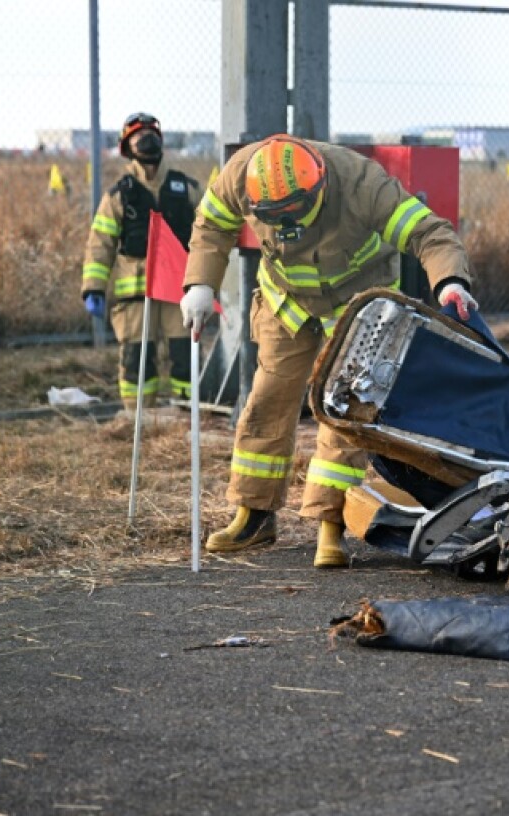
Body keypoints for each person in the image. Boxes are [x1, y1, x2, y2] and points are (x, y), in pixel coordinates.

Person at [180, 134, 477, 568]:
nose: (285, 225)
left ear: (317, 189)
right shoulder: (240, 176)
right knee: (267, 399)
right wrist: (200, 284)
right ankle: (254, 513)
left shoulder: (361, 185)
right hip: (286, 300)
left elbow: (429, 233)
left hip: (359, 304)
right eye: (273, 218)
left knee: (344, 408)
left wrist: (450, 281)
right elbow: (211, 227)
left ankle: (330, 525)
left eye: (293, 214)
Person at [81, 113, 200, 414]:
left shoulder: (185, 188)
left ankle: (187, 415)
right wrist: (93, 287)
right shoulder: (119, 195)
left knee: (184, 356)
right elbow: (100, 243)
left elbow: (210, 231)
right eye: (138, 137)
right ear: (127, 147)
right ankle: (137, 419)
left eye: (151, 135)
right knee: (137, 360)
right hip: (135, 295)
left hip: (178, 291)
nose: (146, 142)